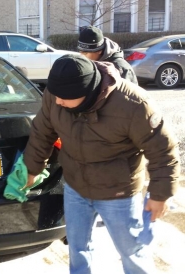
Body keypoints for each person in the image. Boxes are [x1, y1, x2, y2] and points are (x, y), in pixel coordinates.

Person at [22, 54, 180, 273]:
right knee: (78, 250)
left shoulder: (134, 105)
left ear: (86, 92)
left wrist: (159, 195)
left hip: (119, 194)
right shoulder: (56, 94)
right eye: (55, 94)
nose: (57, 101)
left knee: (132, 251)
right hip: (75, 188)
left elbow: (163, 150)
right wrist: (32, 168)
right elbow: (41, 132)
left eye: (64, 98)